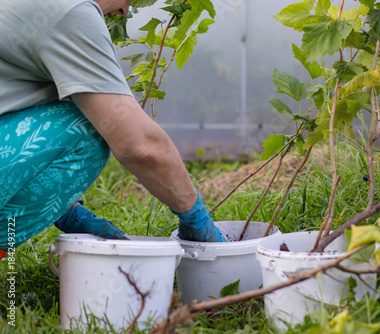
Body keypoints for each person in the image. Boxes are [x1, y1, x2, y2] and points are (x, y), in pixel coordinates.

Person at [0, 0, 226, 261]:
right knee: (89, 128)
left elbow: (18, 115)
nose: (125, 11)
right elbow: (139, 146)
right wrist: (194, 214)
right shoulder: (70, 13)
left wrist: (65, 208)